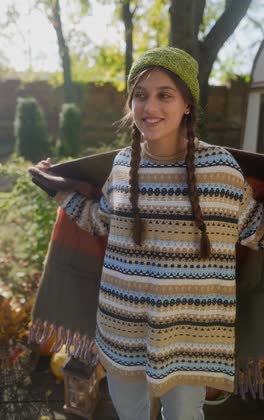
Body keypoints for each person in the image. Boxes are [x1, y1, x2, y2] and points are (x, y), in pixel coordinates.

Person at [32, 47, 264, 420]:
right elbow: (100, 222)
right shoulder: (123, 165)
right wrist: (56, 188)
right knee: (131, 414)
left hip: (191, 334)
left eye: (164, 95)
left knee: (185, 416)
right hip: (121, 325)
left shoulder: (222, 171)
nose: (149, 106)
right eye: (140, 95)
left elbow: (256, 231)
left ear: (187, 104)